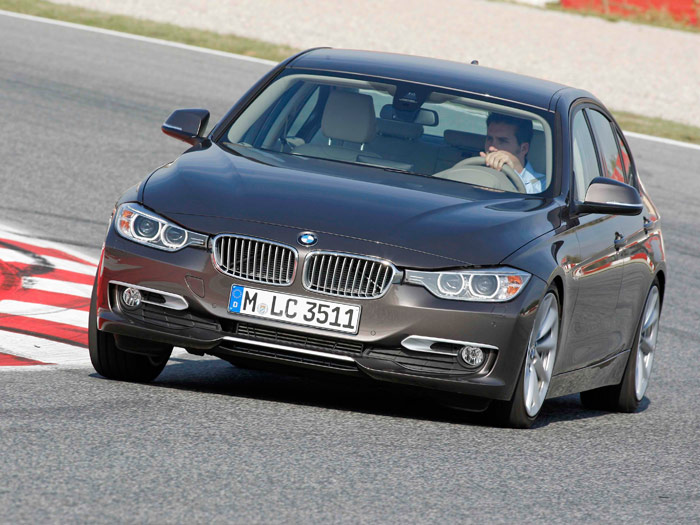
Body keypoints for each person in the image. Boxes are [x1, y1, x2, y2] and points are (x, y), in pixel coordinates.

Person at [479, 113, 546, 194]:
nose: (491, 148)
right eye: (489, 139)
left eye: (502, 141)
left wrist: (514, 174)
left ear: (524, 148)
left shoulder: (543, 185)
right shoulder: (473, 170)